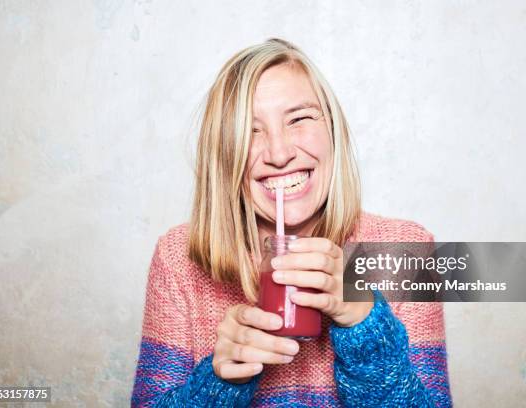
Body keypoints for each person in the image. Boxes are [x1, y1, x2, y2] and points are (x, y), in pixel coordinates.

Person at [131, 38, 452, 407]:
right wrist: (222, 382)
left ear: (332, 129)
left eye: (298, 119)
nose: (280, 154)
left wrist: (364, 322)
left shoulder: (405, 251)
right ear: (223, 154)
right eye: (250, 131)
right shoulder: (178, 260)